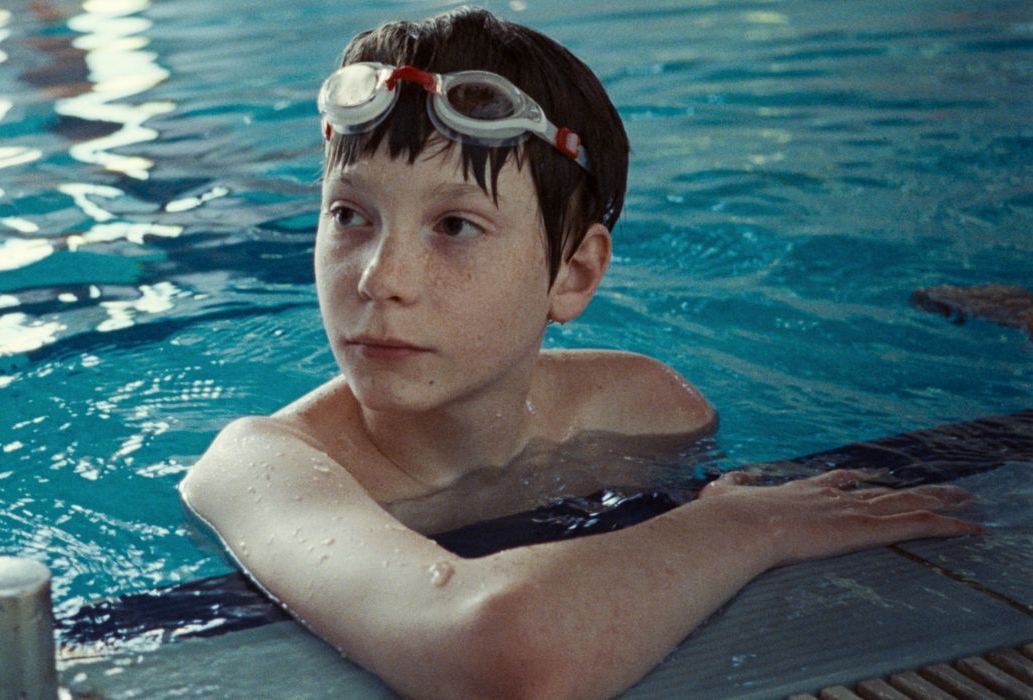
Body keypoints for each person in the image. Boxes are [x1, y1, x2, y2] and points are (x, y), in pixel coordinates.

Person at [179, 8, 980, 699]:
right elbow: (503, 658)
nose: (381, 280)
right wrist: (746, 528)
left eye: (455, 226)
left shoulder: (648, 408)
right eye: (350, 215)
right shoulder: (258, 466)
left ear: (573, 273)